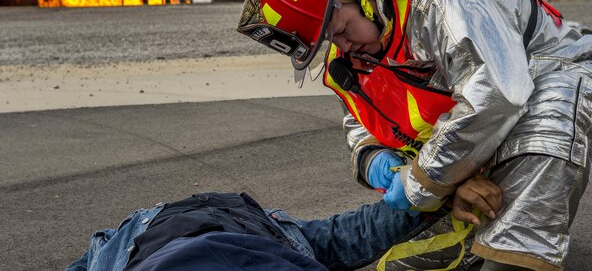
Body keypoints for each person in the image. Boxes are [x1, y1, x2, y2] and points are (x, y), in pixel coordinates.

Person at [237, 0, 592, 270]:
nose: (342, 46)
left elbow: (498, 92)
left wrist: (423, 182)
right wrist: (373, 158)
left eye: (342, 29)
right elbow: (362, 121)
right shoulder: (354, 56)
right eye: (329, 40)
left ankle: (515, 255)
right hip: (477, 134)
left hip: (551, 73)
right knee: (407, 261)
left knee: (544, 137)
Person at [66, 178, 501, 271]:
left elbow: (355, 236)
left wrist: (437, 188)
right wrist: (438, 188)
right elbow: (354, 236)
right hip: (254, 227)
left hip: (147, 236)